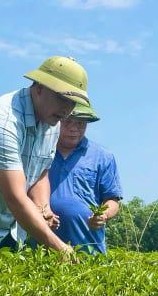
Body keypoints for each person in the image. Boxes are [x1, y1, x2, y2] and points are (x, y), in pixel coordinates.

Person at [0, 56, 90, 256]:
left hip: (9, 235)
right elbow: (15, 197)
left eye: (73, 103)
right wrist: (58, 247)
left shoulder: (52, 123)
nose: (67, 109)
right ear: (39, 87)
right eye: (62, 98)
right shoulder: (3, 120)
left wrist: (43, 207)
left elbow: (41, 173)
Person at [47, 103, 122, 255]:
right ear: (58, 121)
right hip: (44, 250)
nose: (74, 128)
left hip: (89, 251)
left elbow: (113, 200)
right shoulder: (41, 151)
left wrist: (103, 215)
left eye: (80, 123)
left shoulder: (103, 157)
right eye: (68, 122)